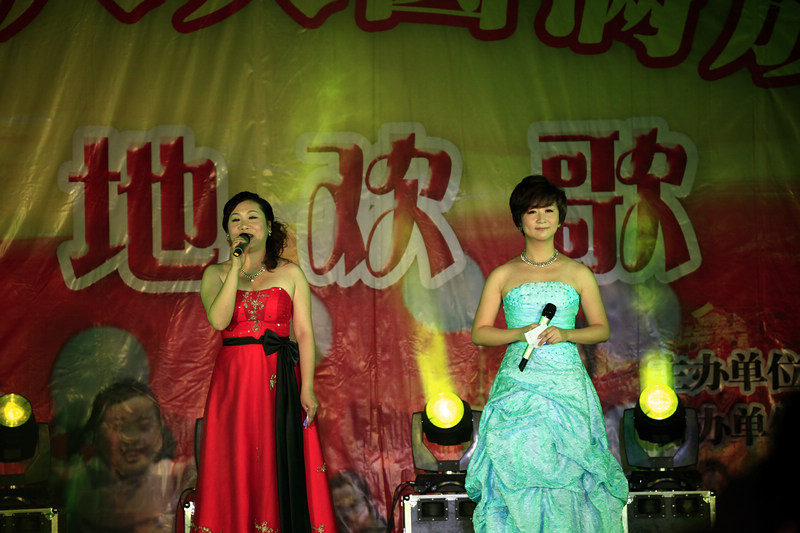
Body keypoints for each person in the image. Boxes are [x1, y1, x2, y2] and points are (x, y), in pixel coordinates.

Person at [465, 175, 629, 532]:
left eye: (548, 211)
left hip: (566, 383)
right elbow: (480, 332)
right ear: (519, 219)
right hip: (519, 382)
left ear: (560, 217)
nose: (541, 219)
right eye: (532, 211)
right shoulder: (503, 274)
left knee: (570, 465)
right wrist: (519, 333)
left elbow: (601, 328)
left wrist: (566, 334)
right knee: (517, 460)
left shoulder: (578, 272)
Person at [191, 191, 336, 532]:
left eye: (252, 217)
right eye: (235, 219)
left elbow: (304, 333)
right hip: (234, 381)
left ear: (268, 226)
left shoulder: (290, 273)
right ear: (228, 232)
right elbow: (219, 320)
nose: (244, 224)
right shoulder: (215, 274)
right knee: (235, 458)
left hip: (278, 377)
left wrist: (308, 388)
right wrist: (235, 268)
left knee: (276, 456)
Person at [56, 379, 196, 532]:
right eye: (118, 426)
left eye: (144, 426)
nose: (131, 437)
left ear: (160, 438)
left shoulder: (179, 478)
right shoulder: (76, 483)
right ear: (95, 437)